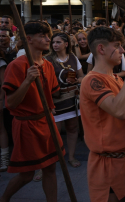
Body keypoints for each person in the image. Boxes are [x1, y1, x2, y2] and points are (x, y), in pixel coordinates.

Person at [79, 26, 125, 202]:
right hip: (108, 162)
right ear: (101, 49)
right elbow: (118, 110)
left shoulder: (116, 78)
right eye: (117, 45)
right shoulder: (91, 80)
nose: (122, 50)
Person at [1, 21, 63, 202]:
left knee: (50, 169)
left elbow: (53, 94)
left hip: (47, 121)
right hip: (26, 124)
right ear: (29, 39)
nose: (48, 39)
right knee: (27, 174)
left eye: (48, 35)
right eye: (42, 36)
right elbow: (11, 103)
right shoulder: (17, 65)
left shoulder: (49, 65)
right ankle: (4, 198)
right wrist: (27, 80)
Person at [46, 32, 84, 169]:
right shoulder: (48, 59)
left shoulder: (73, 57)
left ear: (66, 44)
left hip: (72, 99)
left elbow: (82, 76)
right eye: (53, 42)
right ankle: (51, 158)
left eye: (58, 42)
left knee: (73, 128)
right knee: (53, 132)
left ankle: (71, 156)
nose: (54, 45)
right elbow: (45, 83)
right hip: (55, 99)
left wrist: (76, 80)